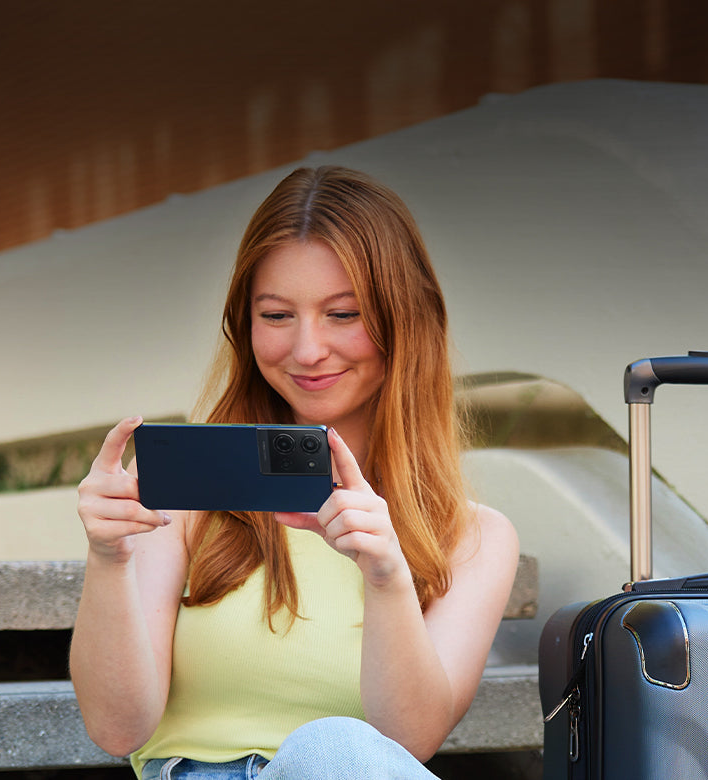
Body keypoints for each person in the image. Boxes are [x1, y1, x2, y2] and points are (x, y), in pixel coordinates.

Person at [70, 165, 520, 780]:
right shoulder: (185, 490)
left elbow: (408, 744)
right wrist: (108, 558)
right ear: (246, 324)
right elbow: (117, 729)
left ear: (406, 320)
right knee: (337, 747)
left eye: (344, 314)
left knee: (337, 749)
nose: (307, 351)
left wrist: (386, 577)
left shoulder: (473, 536)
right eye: (278, 316)